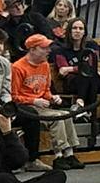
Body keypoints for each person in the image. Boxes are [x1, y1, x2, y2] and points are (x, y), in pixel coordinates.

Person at [10, 32, 81, 169]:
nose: (48, 51)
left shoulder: (45, 65)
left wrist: (52, 97)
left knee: (66, 115)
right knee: (57, 117)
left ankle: (70, 153)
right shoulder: (18, 67)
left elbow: (46, 89)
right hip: (27, 107)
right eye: (44, 48)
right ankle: (58, 155)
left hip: (43, 105)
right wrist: (34, 101)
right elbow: (14, 96)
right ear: (32, 49)